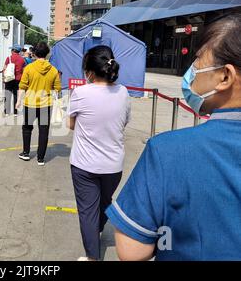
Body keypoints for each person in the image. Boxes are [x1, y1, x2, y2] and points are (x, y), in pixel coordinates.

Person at [105, 13, 241, 261]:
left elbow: (132, 251)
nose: (192, 71)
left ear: (225, 76)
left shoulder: (168, 152)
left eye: (199, 60)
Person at [68, 45, 131, 261]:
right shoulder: (123, 92)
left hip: (84, 165)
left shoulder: (80, 92)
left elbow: (71, 124)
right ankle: (97, 231)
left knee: (87, 212)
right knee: (104, 203)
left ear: (89, 71)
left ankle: (92, 256)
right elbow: (124, 122)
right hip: (113, 165)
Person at [16, 42, 61, 166]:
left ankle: (26, 153)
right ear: (47, 54)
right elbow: (57, 88)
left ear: (34, 53)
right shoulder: (53, 70)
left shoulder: (29, 68)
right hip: (46, 104)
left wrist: (18, 100)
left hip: (30, 103)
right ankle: (40, 158)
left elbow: (22, 86)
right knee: (44, 130)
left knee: (27, 128)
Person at [3, 45, 26, 116]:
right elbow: (24, 70)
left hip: (9, 79)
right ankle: (15, 112)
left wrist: (4, 77)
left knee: (8, 95)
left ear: (13, 50)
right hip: (18, 79)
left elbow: (4, 68)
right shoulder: (22, 59)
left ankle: (7, 112)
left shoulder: (9, 58)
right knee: (16, 95)